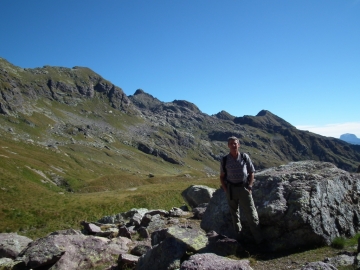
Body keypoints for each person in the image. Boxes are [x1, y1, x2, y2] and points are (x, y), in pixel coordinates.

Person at [220, 136, 263, 244]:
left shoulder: (244, 157)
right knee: (235, 216)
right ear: (228, 146)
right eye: (231, 143)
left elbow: (251, 172)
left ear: (239, 145)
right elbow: (221, 176)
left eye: (235, 143)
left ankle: (259, 241)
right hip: (231, 190)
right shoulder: (225, 159)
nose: (233, 145)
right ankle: (239, 241)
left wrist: (250, 186)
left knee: (252, 214)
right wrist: (226, 190)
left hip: (244, 188)